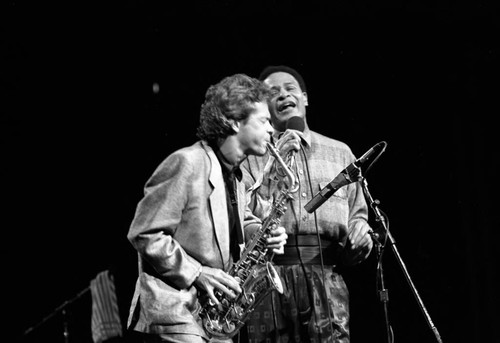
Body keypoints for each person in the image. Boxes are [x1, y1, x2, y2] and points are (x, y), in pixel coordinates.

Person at [126, 73, 288, 343]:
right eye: (264, 121)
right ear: (236, 122)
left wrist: (261, 231)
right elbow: (145, 233)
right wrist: (197, 272)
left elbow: (236, 221)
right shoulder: (187, 162)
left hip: (212, 315)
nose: (272, 129)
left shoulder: (236, 175)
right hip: (176, 313)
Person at [240, 65, 374, 343]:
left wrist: (361, 232)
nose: (282, 95)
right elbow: (243, 216)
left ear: (305, 97)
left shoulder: (340, 152)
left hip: (327, 277)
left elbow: (358, 214)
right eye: (272, 93)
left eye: (289, 89)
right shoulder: (251, 156)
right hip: (268, 277)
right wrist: (273, 170)